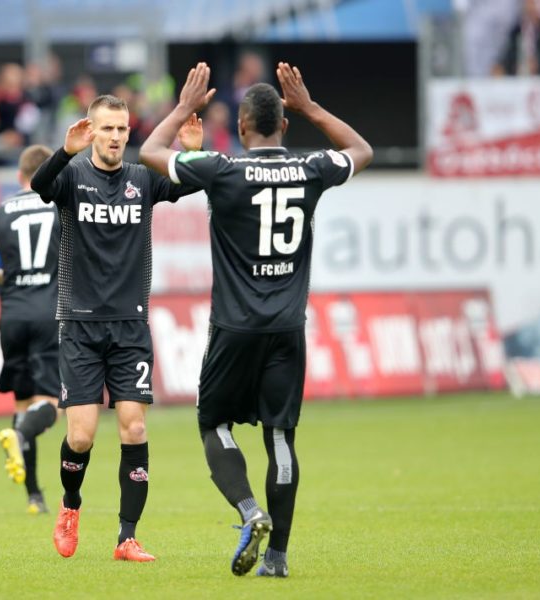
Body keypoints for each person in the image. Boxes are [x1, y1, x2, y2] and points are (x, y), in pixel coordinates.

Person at [139, 62, 373, 577]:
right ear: (283, 126)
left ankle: (250, 511)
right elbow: (362, 150)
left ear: (241, 127)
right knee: (281, 438)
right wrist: (309, 106)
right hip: (288, 330)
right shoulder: (310, 168)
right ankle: (278, 558)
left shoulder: (222, 169)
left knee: (213, 423)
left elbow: (150, 153)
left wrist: (184, 108)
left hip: (234, 328)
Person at [29, 94, 202, 562]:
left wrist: (191, 153)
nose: (116, 137)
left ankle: (127, 537)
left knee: (135, 428)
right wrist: (63, 152)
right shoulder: (71, 178)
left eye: (122, 129)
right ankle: (70, 505)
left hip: (130, 326)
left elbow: (189, 185)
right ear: (91, 130)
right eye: (107, 128)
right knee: (81, 436)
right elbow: (40, 186)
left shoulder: (142, 180)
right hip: (80, 327)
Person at [0, 144, 61, 515]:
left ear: (20, 175)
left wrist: (3, 276)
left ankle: (34, 496)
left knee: (22, 403)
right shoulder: (59, 206)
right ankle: (21, 434)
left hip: (12, 316)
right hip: (51, 313)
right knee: (52, 404)